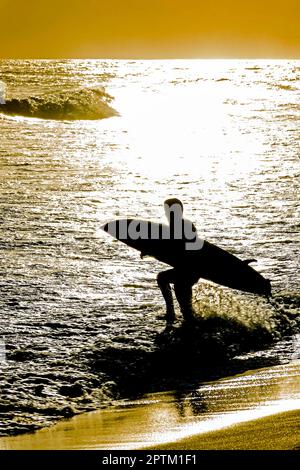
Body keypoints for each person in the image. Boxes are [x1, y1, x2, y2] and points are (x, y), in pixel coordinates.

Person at [144, 198, 203, 325]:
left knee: (186, 309)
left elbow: (187, 249)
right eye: (166, 211)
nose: (167, 214)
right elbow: (167, 248)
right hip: (183, 269)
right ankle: (171, 313)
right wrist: (150, 251)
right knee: (163, 278)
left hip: (190, 270)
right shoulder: (173, 227)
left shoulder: (186, 226)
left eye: (170, 211)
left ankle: (190, 324)